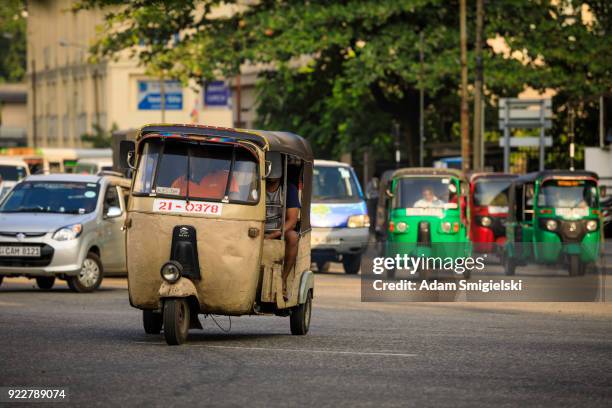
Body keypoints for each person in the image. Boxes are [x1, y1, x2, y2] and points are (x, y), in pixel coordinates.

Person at [264, 152, 300, 300]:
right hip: (255, 229)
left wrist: (274, 234)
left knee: (293, 237)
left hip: (279, 231)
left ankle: (283, 279)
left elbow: (292, 220)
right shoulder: (254, 186)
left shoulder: (288, 189)